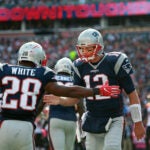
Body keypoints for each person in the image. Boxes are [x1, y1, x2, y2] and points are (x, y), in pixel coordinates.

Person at [0, 41, 120, 150]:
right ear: (39, 58)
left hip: (3, 125)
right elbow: (71, 92)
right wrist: (96, 91)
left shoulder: (4, 69)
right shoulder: (43, 73)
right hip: (26, 127)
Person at [43, 28, 145, 150]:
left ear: (99, 47)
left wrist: (138, 122)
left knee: (111, 148)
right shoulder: (79, 66)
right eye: (82, 48)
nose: (85, 52)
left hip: (114, 118)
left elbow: (132, 93)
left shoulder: (115, 61)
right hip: (92, 118)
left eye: (89, 48)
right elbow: (75, 98)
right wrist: (60, 100)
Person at [48, 57, 80, 150]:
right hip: (72, 120)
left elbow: (43, 99)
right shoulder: (75, 80)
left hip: (56, 118)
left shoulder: (52, 78)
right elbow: (80, 104)